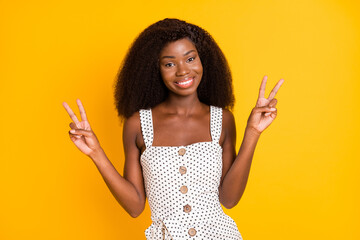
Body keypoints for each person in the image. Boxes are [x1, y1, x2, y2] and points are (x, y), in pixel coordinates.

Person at [63, 18, 284, 240]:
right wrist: (96, 153)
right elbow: (135, 206)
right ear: (155, 69)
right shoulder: (137, 125)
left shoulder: (222, 120)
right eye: (169, 64)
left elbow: (229, 199)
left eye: (190, 59)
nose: (183, 71)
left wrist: (253, 132)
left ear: (202, 59)